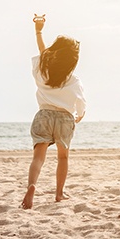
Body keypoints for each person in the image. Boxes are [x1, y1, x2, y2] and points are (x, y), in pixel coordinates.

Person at [20, 14, 86, 208]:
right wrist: (79, 115)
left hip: (44, 115)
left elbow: (42, 50)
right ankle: (59, 193)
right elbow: (81, 101)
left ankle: (32, 186)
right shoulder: (73, 79)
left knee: (38, 157)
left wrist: (39, 30)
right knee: (63, 156)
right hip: (65, 118)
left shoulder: (42, 69)